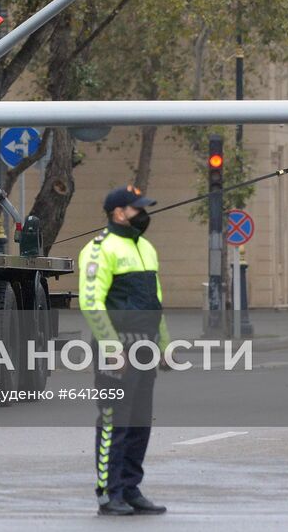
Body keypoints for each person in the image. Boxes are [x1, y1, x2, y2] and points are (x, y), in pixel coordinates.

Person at [80, 185, 170, 517]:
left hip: (144, 347)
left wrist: (163, 344)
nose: (144, 214)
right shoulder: (99, 248)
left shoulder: (145, 248)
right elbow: (91, 302)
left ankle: (131, 488)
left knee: (139, 421)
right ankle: (108, 492)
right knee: (114, 420)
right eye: (137, 209)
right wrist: (111, 347)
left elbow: (154, 302)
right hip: (116, 349)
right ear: (119, 213)